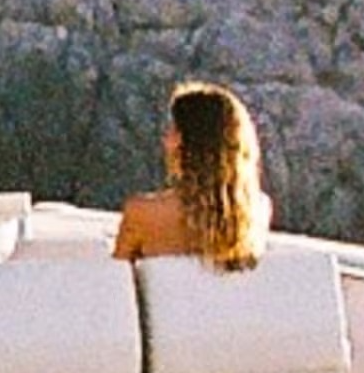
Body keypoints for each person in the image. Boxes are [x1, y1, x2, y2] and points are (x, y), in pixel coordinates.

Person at [113, 78, 271, 269]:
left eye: (173, 130)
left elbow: (116, 281)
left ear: (184, 142)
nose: (166, 140)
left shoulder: (143, 213)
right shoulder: (257, 211)